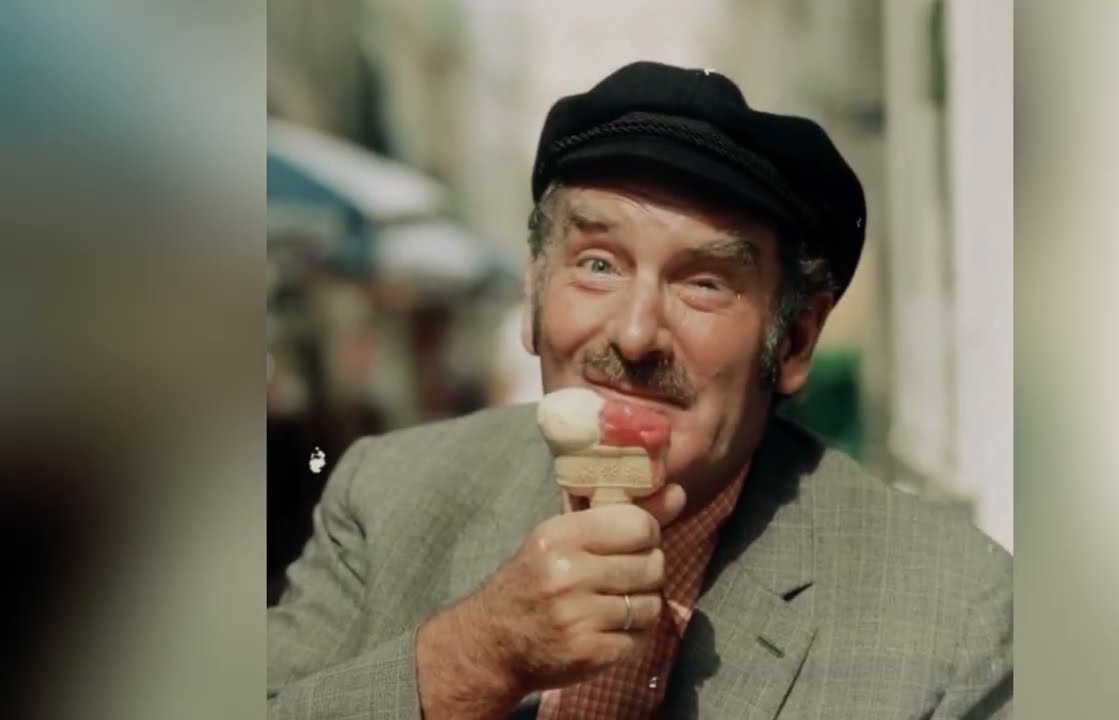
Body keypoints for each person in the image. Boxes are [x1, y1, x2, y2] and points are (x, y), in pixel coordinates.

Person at [267, 61, 1012, 720]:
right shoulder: (386, 499)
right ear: (532, 299)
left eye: (705, 282)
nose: (633, 336)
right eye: (597, 265)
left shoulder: (956, 615)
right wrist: (480, 656)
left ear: (794, 342)